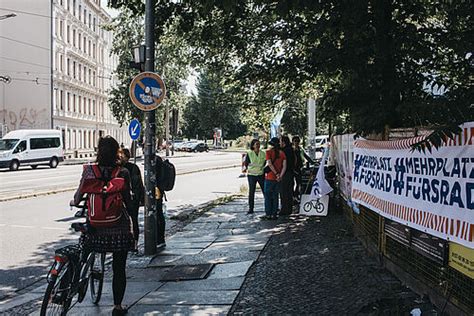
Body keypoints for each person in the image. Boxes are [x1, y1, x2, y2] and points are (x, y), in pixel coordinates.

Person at [74, 136, 134, 315]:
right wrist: (134, 226)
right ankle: (117, 306)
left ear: (98, 152)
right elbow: (129, 202)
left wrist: (75, 201)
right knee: (119, 267)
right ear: (117, 152)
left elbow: (78, 197)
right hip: (118, 228)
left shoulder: (89, 171)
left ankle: (71, 282)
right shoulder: (122, 173)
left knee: (83, 253)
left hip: (95, 227)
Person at [120, 148, 144, 251]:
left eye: (122, 156)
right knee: (133, 221)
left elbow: (138, 184)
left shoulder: (123, 168)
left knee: (132, 222)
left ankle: (133, 243)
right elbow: (140, 184)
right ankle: (134, 244)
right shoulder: (133, 167)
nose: (120, 158)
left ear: (126, 157)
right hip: (132, 199)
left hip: (128, 199)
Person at [263, 137, 287, 220]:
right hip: (278, 179)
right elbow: (284, 166)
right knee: (275, 196)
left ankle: (268, 214)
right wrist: (280, 175)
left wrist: (276, 174)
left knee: (267, 196)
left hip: (270, 177)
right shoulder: (282, 153)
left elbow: (269, 164)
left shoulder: (268, 152)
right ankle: (274, 214)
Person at [243, 139, 266, 214]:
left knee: (265, 191)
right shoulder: (249, 153)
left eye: (259, 144)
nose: (258, 145)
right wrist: (245, 171)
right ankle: (251, 208)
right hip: (251, 175)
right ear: (253, 145)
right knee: (251, 192)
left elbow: (265, 163)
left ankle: (268, 207)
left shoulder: (263, 153)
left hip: (260, 174)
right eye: (256, 144)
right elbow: (246, 164)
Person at [279, 135, 295, 215]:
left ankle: (284, 209)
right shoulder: (291, 150)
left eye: (280, 141)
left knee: (283, 192)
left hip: (284, 173)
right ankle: (289, 209)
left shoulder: (283, 151)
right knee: (289, 192)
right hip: (291, 173)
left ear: (283, 142)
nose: (279, 143)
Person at [292, 135, 305, 205]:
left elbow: (305, 156)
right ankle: (294, 196)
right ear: (293, 142)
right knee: (293, 183)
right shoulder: (292, 150)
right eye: (295, 141)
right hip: (294, 168)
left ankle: (296, 195)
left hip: (299, 167)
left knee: (299, 182)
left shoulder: (300, 149)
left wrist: (312, 162)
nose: (297, 143)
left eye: (298, 141)